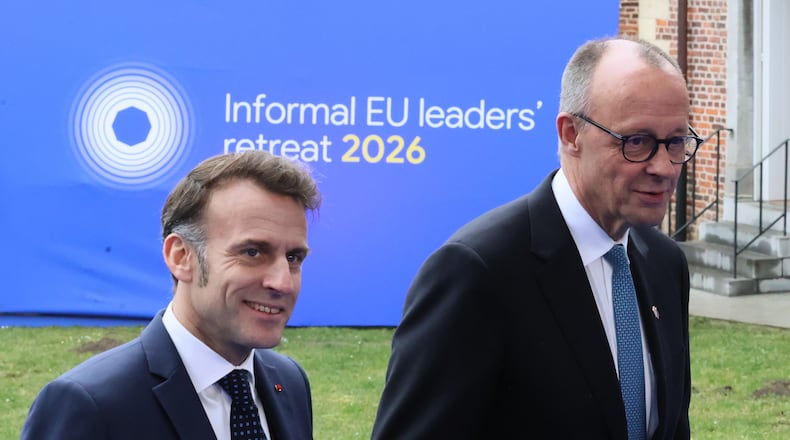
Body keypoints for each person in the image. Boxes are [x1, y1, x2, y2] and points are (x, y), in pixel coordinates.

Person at [372, 36, 697, 439]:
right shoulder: (478, 271)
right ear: (571, 134)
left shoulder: (664, 263)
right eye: (637, 142)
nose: (664, 167)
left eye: (677, 141)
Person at [22, 150, 321, 440]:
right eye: (253, 252)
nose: (283, 282)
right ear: (181, 257)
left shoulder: (290, 382)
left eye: (294, 258)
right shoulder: (91, 405)